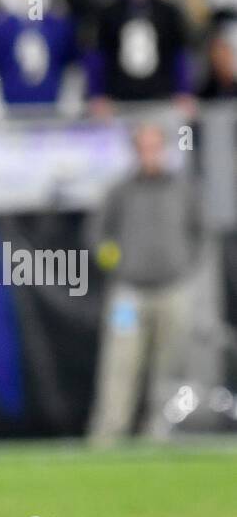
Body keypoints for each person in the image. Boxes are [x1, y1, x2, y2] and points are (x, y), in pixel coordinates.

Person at [86, 122, 202, 442]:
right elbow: (97, 235)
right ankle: (109, 433)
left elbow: (199, 231)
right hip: (128, 294)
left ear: (163, 149)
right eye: (142, 147)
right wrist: (116, 262)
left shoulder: (182, 188)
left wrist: (184, 265)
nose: (149, 154)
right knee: (119, 363)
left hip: (173, 290)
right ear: (135, 151)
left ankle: (160, 433)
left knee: (169, 366)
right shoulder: (120, 190)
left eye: (154, 147)